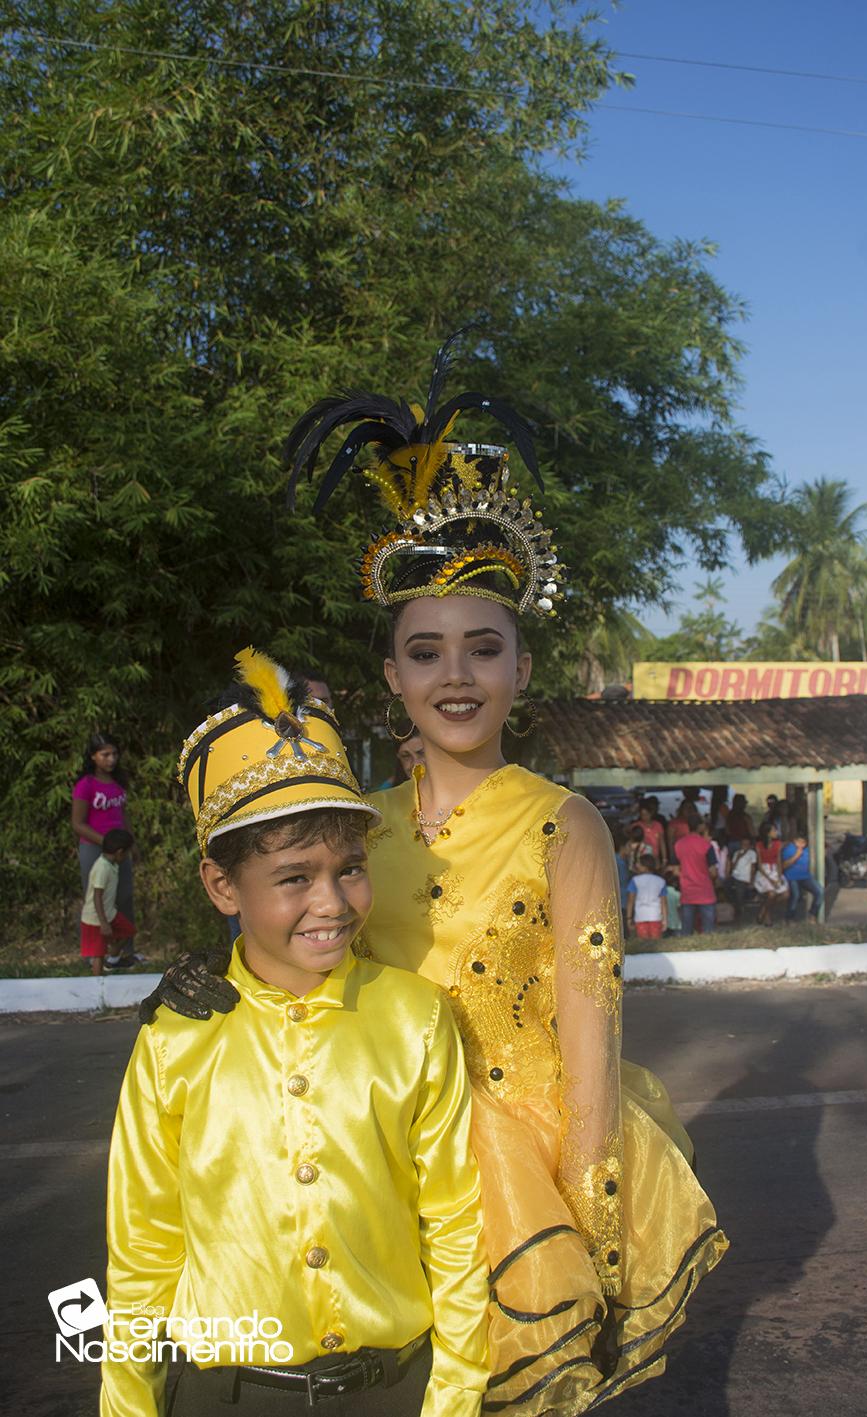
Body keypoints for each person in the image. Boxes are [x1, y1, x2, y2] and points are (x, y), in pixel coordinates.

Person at [145, 339, 727, 1410]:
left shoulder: (567, 825)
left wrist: (590, 1227)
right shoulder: (353, 828)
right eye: (425, 650)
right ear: (390, 674)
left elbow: (592, 1041)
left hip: (521, 1180)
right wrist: (211, 983)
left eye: (482, 647)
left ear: (523, 665)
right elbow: (304, 972)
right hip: (379, 1159)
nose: (454, 675)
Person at [102, 648, 489, 1417]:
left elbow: (454, 1223)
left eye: (349, 867)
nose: (332, 901)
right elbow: (142, 1251)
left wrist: (453, 1397)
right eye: (292, 877)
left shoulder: (413, 1018)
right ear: (222, 885)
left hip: (398, 1392)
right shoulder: (177, 1038)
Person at [71, 733, 134, 928]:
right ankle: (95, 953)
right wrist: (107, 842)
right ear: (93, 756)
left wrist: (132, 843)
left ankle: (124, 952)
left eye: (114, 754)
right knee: (96, 899)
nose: (111, 759)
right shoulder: (85, 785)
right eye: (105, 754)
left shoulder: (118, 783)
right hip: (94, 849)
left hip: (120, 849)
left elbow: (123, 816)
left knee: (124, 896)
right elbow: (78, 823)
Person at [80, 828, 136, 975]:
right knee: (98, 954)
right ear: (119, 852)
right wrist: (103, 923)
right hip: (95, 919)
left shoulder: (112, 865)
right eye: (127, 853)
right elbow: (97, 897)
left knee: (128, 930)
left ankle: (113, 957)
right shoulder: (102, 868)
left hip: (109, 913)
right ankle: (97, 985)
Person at [675, 813, 718, 935]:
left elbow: (675, 868)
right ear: (700, 826)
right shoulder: (706, 845)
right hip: (705, 891)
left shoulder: (679, 844)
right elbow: (713, 871)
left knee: (686, 931)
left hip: (687, 890)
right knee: (708, 931)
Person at [781, 830, 825, 921]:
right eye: (799, 842)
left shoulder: (808, 849)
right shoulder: (789, 849)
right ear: (794, 841)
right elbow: (784, 866)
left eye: (803, 842)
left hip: (805, 877)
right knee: (795, 896)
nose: (801, 844)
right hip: (792, 877)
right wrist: (797, 855)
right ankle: (790, 918)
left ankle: (812, 914)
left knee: (820, 892)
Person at [626, 852, 668, 941]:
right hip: (656, 916)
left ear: (645, 866)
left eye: (639, 863)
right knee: (656, 943)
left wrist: (629, 918)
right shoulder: (661, 881)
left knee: (643, 944)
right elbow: (663, 903)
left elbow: (630, 901)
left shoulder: (635, 881)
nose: (637, 865)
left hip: (640, 916)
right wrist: (665, 919)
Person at [755, 823, 789, 926]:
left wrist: (779, 876)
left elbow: (778, 861)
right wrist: (771, 880)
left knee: (785, 895)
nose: (776, 832)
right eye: (774, 830)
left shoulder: (778, 844)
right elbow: (759, 865)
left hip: (774, 870)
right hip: (764, 872)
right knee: (771, 894)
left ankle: (764, 910)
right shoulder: (759, 845)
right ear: (768, 833)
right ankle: (768, 915)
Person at [728, 835, 758, 925]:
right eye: (743, 844)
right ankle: (737, 908)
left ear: (749, 845)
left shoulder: (752, 853)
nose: (744, 846)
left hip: (745, 877)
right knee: (729, 887)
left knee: (741, 893)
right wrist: (738, 857)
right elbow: (732, 867)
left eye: (746, 844)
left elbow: (753, 867)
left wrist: (751, 880)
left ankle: (741, 911)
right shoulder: (737, 853)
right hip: (736, 876)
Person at [636, 800, 666, 867]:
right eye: (642, 815)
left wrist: (664, 859)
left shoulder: (658, 825)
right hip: (642, 859)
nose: (645, 817)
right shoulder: (638, 825)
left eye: (646, 814)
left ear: (651, 813)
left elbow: (662, 842)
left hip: (655, 858)